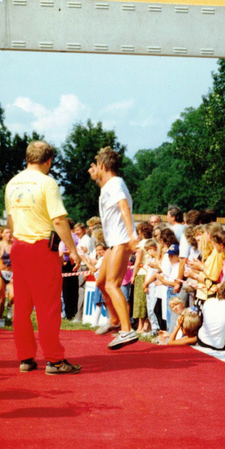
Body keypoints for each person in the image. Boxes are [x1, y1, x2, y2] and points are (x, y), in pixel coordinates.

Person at [5, 140, 82, 375]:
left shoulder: (12, 183)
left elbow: (10, 220)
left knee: (22, 306)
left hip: (19, 246)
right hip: (41, 248)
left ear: (27, 158)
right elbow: (58, 220)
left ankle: (26, 357)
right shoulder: (47, 183)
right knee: (47, 306)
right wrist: (73, 250)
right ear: (48, 161)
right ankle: (55, 360)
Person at [91, 146, 139, 350]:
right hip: (113, 242)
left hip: (121, 240)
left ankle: (127, 331)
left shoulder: (115, 184)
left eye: (95, 167)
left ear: (102, 165)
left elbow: (123, 206)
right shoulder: (107, 185)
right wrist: (97, 178)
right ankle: (114, 320)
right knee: (101, 282)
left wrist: (132, 235)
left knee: (112, 285)